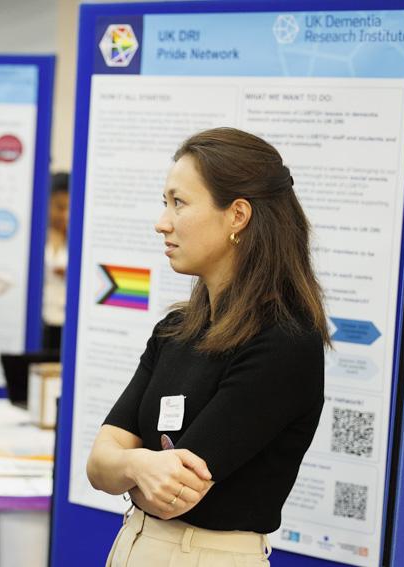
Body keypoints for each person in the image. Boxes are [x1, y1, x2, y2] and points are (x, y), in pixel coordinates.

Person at [86, 127, 328, 567]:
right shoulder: (174, 330)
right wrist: (139, 467)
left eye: (179, 203)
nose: (162, 222)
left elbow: (171, 496)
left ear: (237, 215)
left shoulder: (284, 341)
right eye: (165, 203)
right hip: (134, 544)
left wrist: (126, 464)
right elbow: (97, 465)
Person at [42, 172, 69, 352]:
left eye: (69, 207)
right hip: (41, 321)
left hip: (66, 321)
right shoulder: (37, 237)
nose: (64, 214)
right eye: (59, 207)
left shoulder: (79, 239)